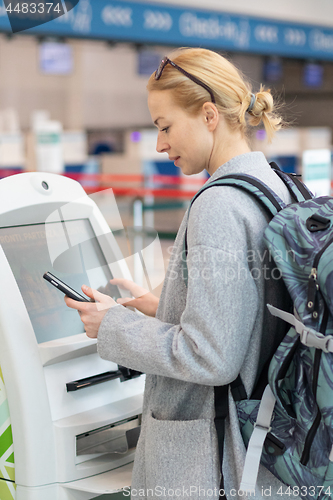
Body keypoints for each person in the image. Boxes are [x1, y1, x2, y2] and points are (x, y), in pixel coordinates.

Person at [65, 48, 297, 499]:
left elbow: (211, 355)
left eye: (165, 126)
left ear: (209, 115)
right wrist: (165, 306)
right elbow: (254, 309)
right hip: (267, 449)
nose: (160, 145)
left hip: (214, 464)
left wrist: (113, 324)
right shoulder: (278, 184)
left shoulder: (219, 203)